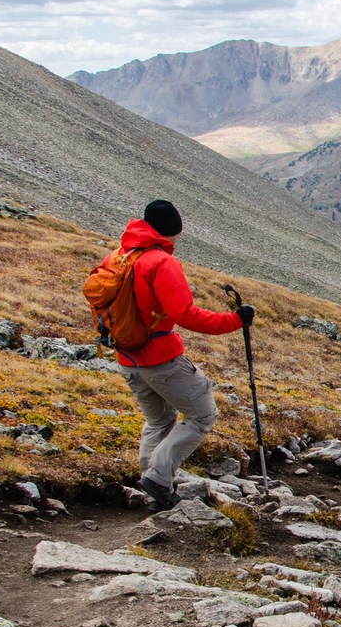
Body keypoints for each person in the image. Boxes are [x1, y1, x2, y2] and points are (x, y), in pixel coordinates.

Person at [107, 199, 253, 510]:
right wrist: (235, 320)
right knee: (202, 413)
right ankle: (159, 479)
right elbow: (185, 314)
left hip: (127, 358)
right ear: (171, 231)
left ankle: (151, 478)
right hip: (160, 358)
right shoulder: (161, 262)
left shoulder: (122, 257)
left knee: (159, 419)